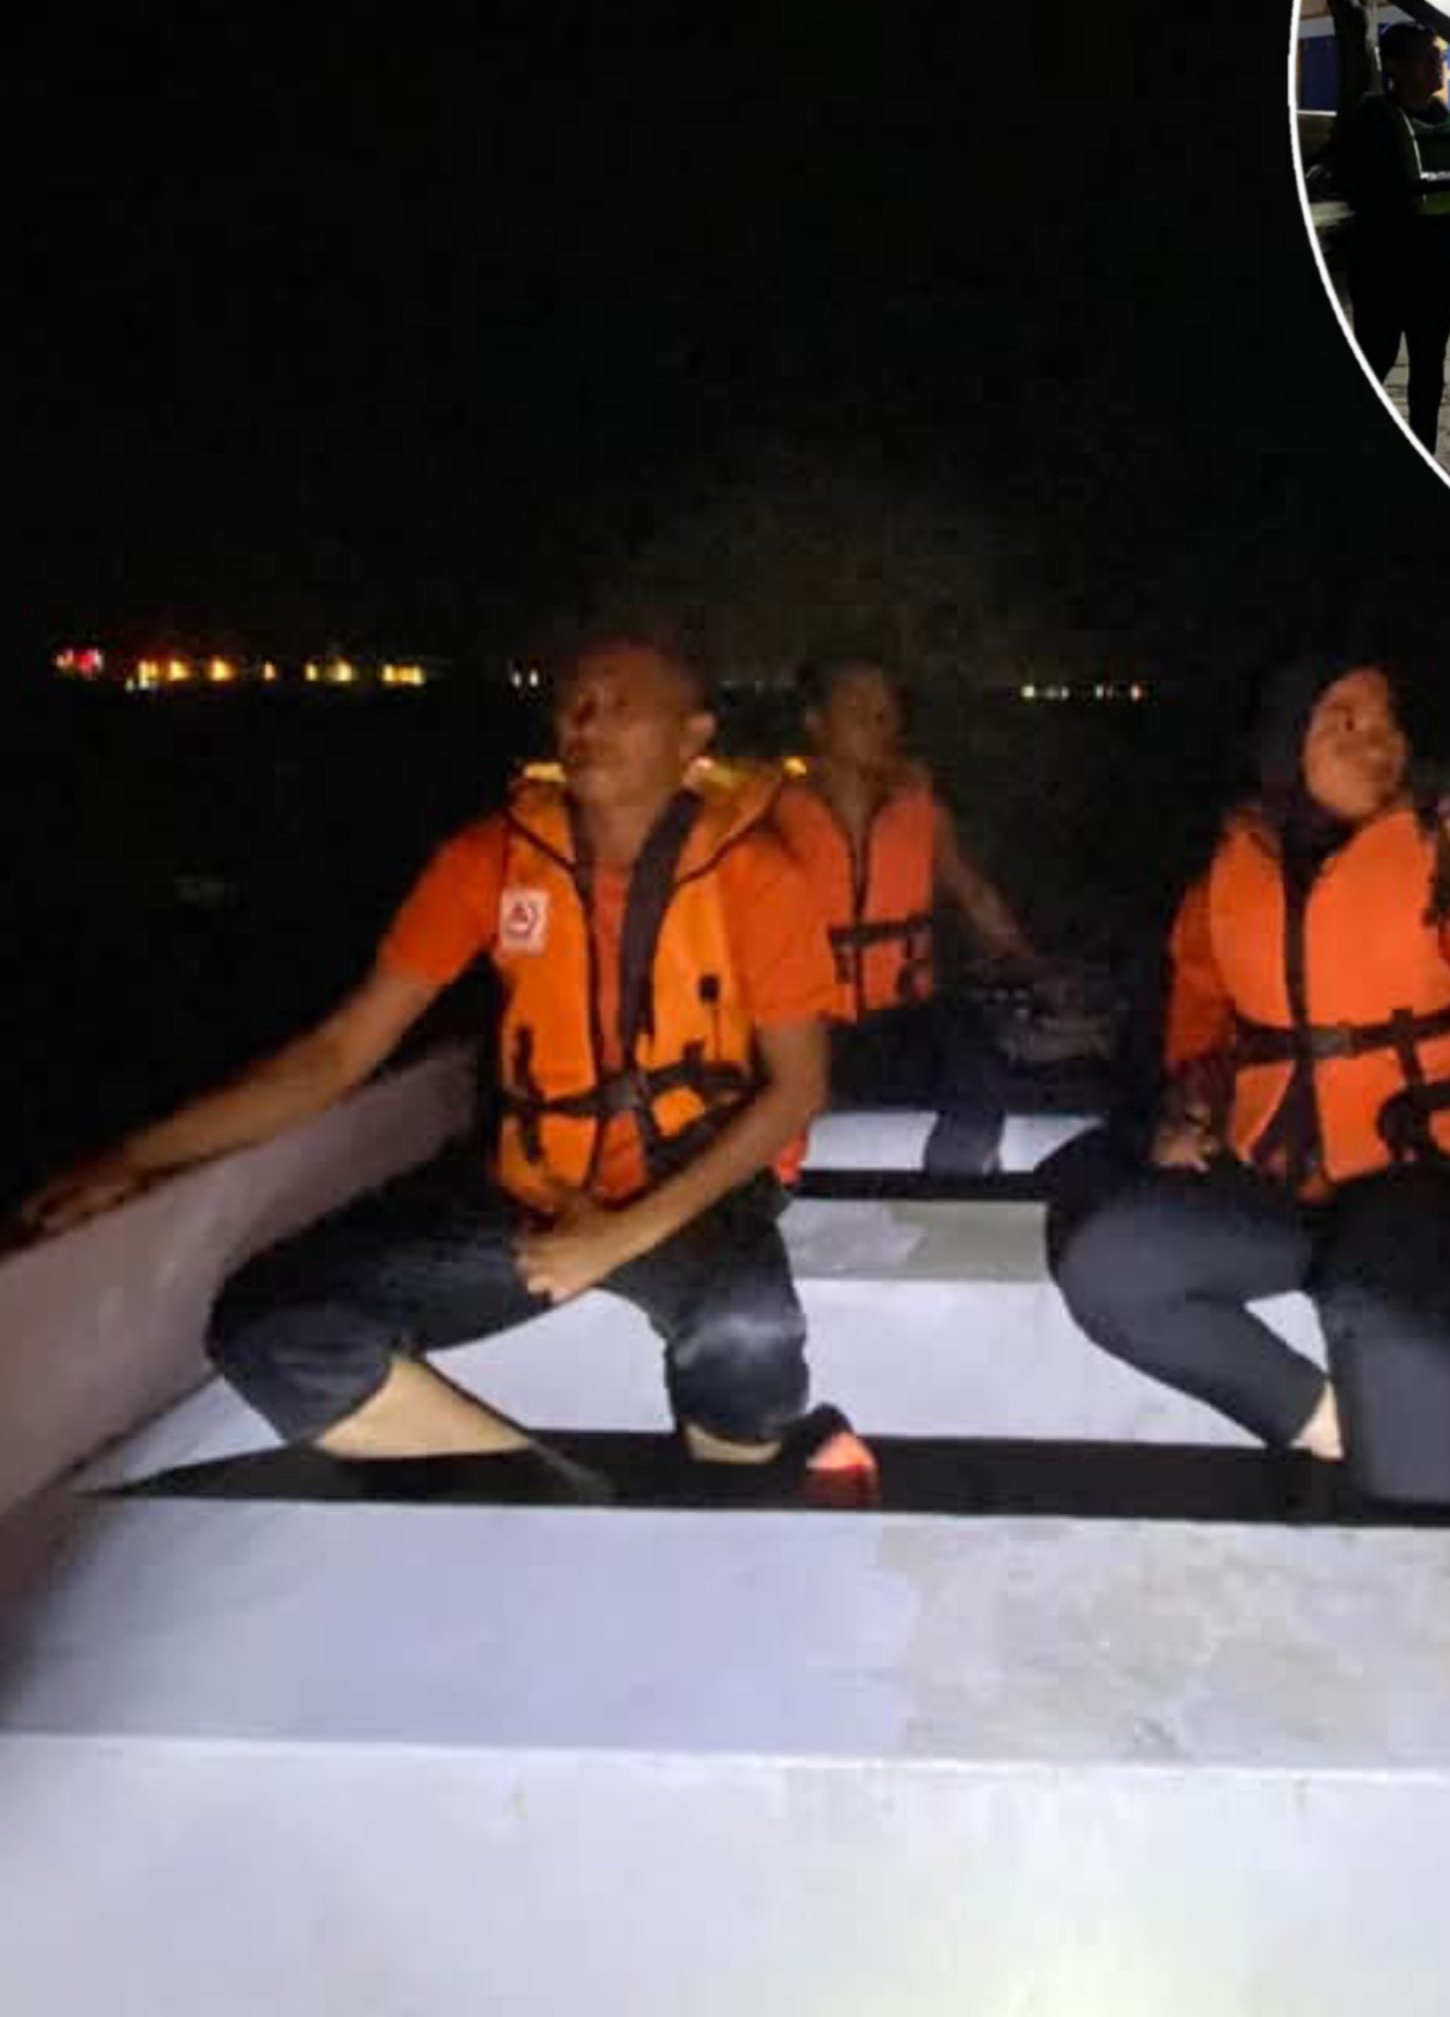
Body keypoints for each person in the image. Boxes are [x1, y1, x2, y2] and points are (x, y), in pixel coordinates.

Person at [23, 630, 874, 1503]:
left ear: (692, 736)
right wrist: (136, 1158)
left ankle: (734, 1502)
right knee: (271, 1327)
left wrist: (617, 1237)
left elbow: (797, 1091)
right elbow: (338, 1053)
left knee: (749, 1333)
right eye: (573, 705)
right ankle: (556, 1500)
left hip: (689, 1198)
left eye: (620, 707)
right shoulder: (489, 861)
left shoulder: (756, 875)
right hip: (530, 1194)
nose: (585, 724)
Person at [1047, 656, 1450, 1509]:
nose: (1378, 742)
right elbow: (1201, 1039)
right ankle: (1325, 1425)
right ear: (1287, 743)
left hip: (1434, 1195)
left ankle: (1412, 1503)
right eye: (1344, 722)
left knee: (1378, 1280)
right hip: (1286, 1192)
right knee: (1107, 1265)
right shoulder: (1227, 878)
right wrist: (1189, 1115)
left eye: (1387, 723)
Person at [771, 654, 1033, 1163]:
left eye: (886, 710)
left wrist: (1027, 961)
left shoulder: (920, 810)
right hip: (803, 1025)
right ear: (815, 722)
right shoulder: (771, 814)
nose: (878, 721)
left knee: (981, 1073)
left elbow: (973, 893)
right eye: (858, 707)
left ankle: (949, 1184)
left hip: (904, 1017)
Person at [1330, 24, 1450, 453]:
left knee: (1429, 365)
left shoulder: (1443, 119)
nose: (1436, 66)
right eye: (1425, 58)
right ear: (1395, 67)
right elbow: (1355, 185)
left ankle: (1424, 451)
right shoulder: (1372, 119)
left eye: (1438, 57)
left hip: (1436, 263)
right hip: (1384, 264)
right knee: (1377, 356)